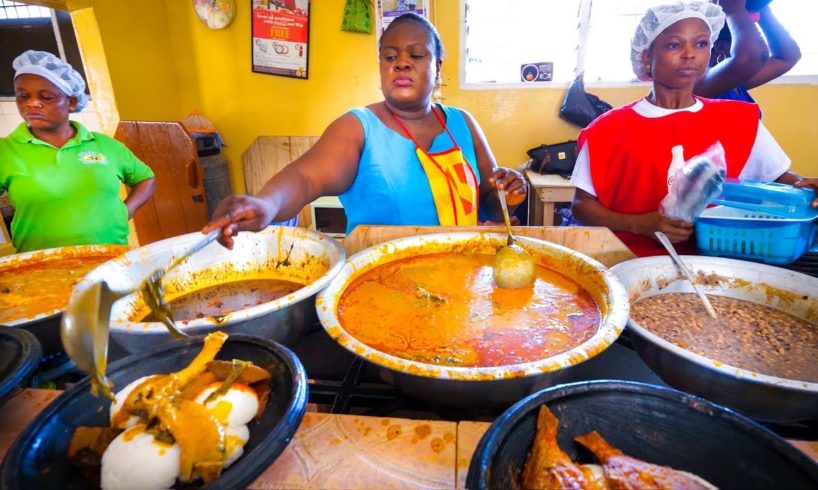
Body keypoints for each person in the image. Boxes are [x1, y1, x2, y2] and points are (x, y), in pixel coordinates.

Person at [205, 13, 527, 248]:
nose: (401, 63)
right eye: (390, 56)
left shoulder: (463, 124)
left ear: (438, 67)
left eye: (416, 55)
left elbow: (488, 200)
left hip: (462, 282)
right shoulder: (359, 127)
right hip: (383, 290)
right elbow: (305, 178)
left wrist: (509, 194)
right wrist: (266, 204)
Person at [570, 1, 817, 257]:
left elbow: (779, 179)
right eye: (674, 45)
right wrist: (640, 224)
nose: (690, 54)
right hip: (628, 260)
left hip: (718, 263)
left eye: (700, 44)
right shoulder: (606, 130)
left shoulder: (738, 119)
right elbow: (581, 206)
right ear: (646, 57)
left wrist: (808, 185)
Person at [0, 50, 156, 253]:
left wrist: (124, 212)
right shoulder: (6, 151)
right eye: (23, 96)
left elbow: (145, 178)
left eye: (46, 97)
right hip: (39, 266)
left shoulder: (104, 145)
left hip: (109, 258)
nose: (32, 103)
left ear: (71, 102)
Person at [694, 0, 801, 104]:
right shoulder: (694, 85)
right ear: (720, 47)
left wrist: (760, 8)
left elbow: (786, 57)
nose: (761, 47)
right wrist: (734, 11)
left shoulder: (733, 82)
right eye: (755, 41)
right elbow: (752, 57)